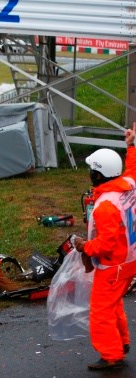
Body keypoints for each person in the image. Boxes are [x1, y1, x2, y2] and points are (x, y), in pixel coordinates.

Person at [73, 123, 136, 371]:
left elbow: (106, 244)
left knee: (100, 311)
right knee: (113, 303)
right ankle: (122, 342)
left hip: (114, 265)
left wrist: (84, 246)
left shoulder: (106, 206)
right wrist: (131, 145)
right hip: (129, 260)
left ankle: (112, 355)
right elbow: (132, 168)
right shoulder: (128, 185)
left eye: (91, 170)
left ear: (97, 175)